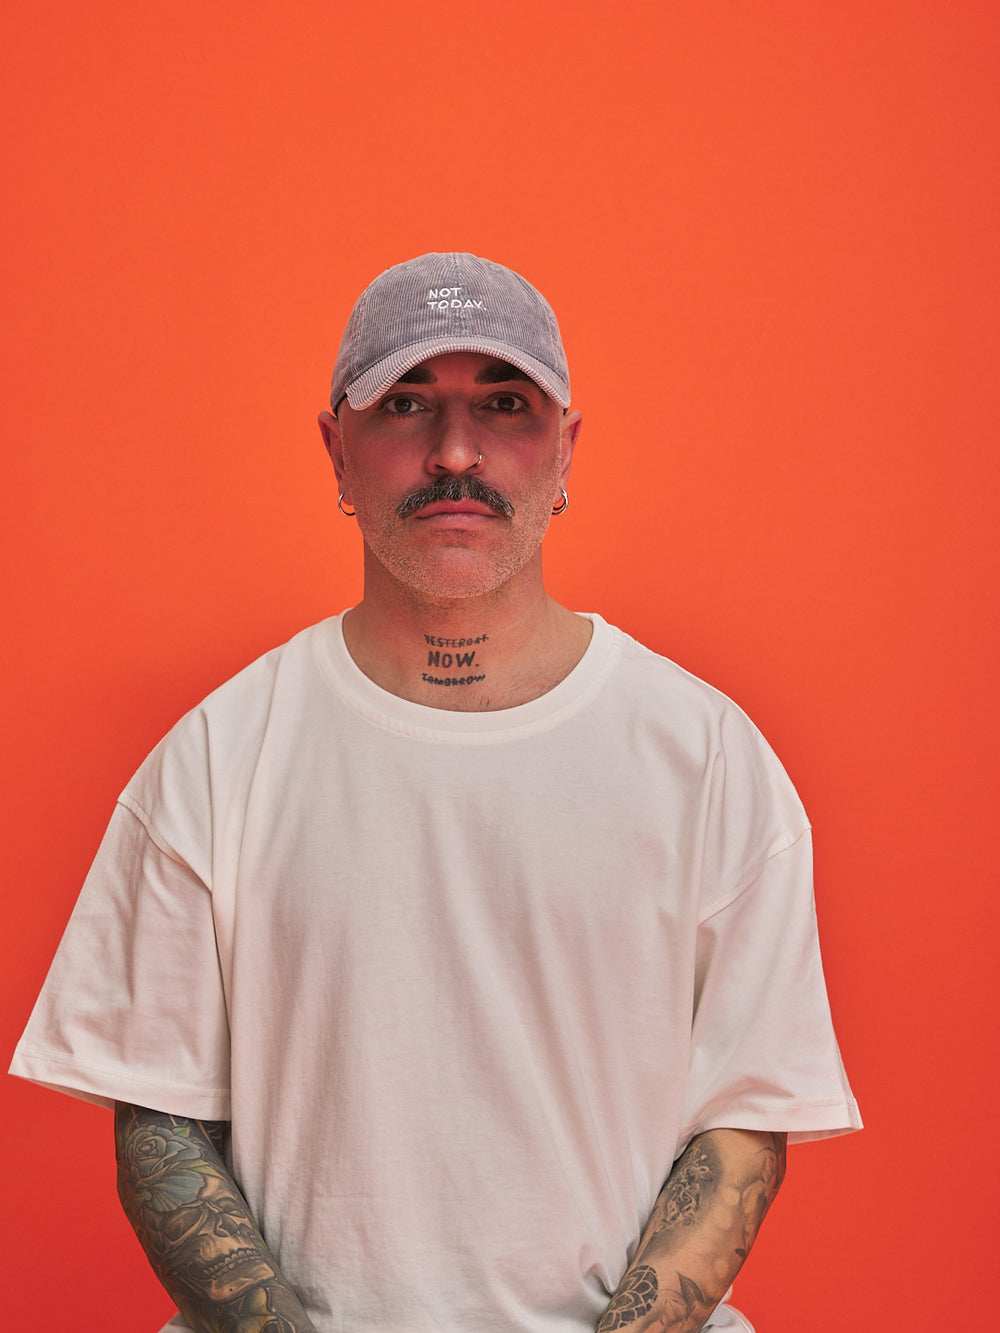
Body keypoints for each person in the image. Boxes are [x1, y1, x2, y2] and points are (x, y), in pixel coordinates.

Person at [10, 252, 861, 1333]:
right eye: (406, 404)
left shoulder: (708, 757)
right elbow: (160, 1118)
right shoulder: (218, 754)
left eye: (504, 405)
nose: (456, 453)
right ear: (337, 449)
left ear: (565, 449)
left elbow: (743, 1122)